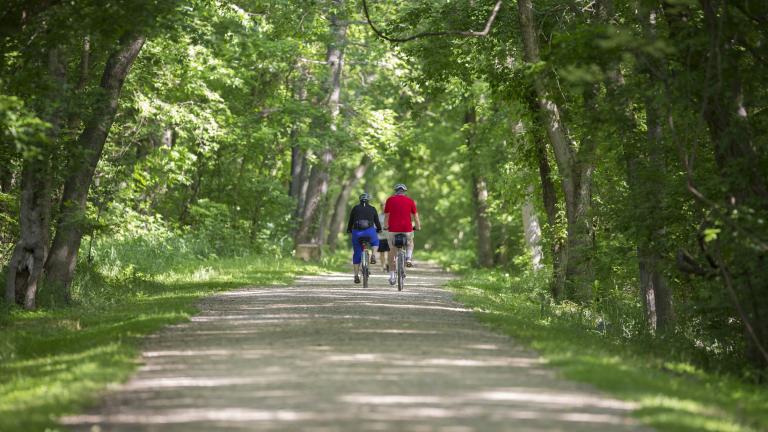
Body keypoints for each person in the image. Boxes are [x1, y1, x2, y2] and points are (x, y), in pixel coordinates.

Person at [383, 183, 421, 285]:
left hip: (393, 229)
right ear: (404, 191)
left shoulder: (390, 200)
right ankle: (408, 258)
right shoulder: (410, 201)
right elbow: (415, 217)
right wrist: (418, 227)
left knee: (392, 250)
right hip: (406, 229)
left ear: (395, 191)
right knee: (410, 242)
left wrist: (385, 226)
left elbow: (386, 216)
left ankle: (392, 277)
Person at [347, 192, 381, 284]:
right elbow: (377, 221)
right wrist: (379, 229)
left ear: (360, 200)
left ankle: (356, 275)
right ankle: (373, 255)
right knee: (375, 242)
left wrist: (349, 229)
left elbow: (351, 221)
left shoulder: (355, 208)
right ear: (368, 200)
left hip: (357, 233)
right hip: (369, 232)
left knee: (357, 253)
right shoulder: (372, 209)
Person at [377, 204, 390, 272]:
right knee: (381, 253)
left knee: (389, 252)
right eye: (382, 207)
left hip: (389, 236)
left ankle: (388, 264)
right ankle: (383, 266)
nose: (384, 209)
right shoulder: (379, 216)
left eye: (385, 207)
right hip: (380, 237)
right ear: (381, 208)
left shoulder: (389, 215)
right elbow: (376, 225)